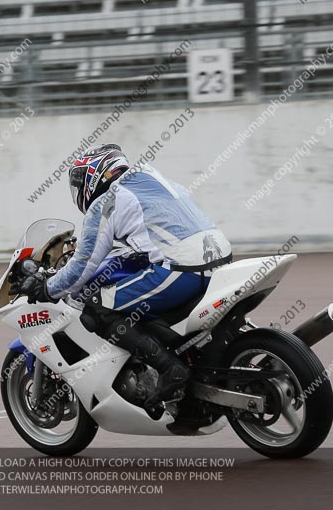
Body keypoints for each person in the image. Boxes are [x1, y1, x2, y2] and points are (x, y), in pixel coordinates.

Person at [20, 144, 232, 414]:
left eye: (79, 182)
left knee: (98, 307)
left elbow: (81, 267)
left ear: (93, 176)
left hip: (183, 270)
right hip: (220, 258)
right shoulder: (151, 176)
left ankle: (170, 369)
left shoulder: (106, 202)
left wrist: (46, 288)